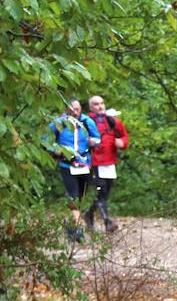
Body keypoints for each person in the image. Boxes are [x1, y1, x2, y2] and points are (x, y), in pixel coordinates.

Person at [47, 99, 100, 242]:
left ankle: (71, 226)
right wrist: (55, 149)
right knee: (73, 196)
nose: (74, 112)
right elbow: (45, 140)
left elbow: (98, 138)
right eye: (71, 109)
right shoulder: (58, 123)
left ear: (80, 109)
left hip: (84, 164)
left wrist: (93, 142)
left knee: (81, 197)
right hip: (67, 164)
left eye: (77, 109)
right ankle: (76, 231)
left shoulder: (87, 122)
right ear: (66, 109)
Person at [84, 95, 129, 232]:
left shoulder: (112, 121)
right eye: (96, 104)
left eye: (102, 103)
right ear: (91, 107)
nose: (100, 106)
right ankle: (107, 221)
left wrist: (122, 143)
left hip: (110, 162)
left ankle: (88, 214)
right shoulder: (86, 121)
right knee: (101, 191)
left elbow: (124, 136)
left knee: (103, 194)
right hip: (94, 162)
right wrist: (88, 142)